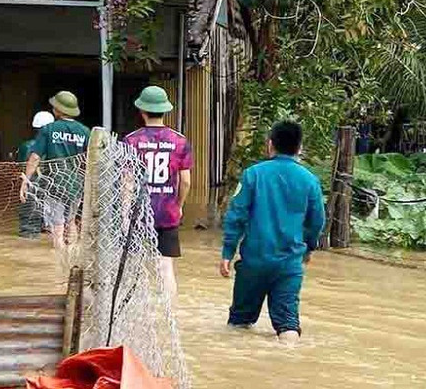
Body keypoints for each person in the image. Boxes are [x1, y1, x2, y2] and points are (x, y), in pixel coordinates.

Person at [219, 120, 325, 343]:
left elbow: (236, 215)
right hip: (289, 264)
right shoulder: (310, 181)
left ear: (270, 145)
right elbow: (317, 222)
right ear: (300, 148)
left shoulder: (253, 175)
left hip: (253, 263)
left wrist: (228, 252)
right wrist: (309, 248)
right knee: (288, 325)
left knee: (239, 324)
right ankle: (290, 358)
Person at [124, 85, 194, 298]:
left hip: (139, 213)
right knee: (165, 267)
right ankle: (169, 312)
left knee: (133, 266)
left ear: (142, 111)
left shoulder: (131, 140)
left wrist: (125, 213)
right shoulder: (180, 141)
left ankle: (131, 308)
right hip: (167, 213)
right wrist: (179, 206)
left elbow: (127, 181)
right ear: (165, 110)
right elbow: (185, 181)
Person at [20, 91, 90, 246]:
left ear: (58, 109)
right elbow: (89, 160)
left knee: (57, 228)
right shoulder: (85, 131)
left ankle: (59, 257)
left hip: (55, 184)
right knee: (71, 221)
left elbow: (35, 157)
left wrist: (26, 181)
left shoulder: (48, 129)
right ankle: (72, 254)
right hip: (76, 184)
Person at [14, 111, 54, 238]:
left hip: (30, 182)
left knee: (29, 224)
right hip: (49, 183)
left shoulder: (26, 146)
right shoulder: (53, 146)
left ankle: (29, 233)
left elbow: (19, 165)